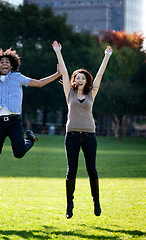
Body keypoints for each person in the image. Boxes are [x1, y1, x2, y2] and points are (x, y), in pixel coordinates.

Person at [52, 41, 113, 219]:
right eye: (77, 77)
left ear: (87, 81)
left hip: (88, 135)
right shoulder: (69, 93)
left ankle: (96, 202)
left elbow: (100, 74)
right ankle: (69, 205)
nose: (79, 79)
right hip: (71, 135)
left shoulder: (91, 93)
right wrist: (58, 52)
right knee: (71, 170)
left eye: (82, 77)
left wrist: (106, 56)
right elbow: (63, 70)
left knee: (91, 170)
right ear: (74, 80)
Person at [0, 46, 61, 159]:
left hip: (14, 121)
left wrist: (57, 74)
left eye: (7, 62)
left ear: (12, 65)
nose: (4, 64)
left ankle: (30, 138)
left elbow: (39, 83)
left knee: (19, 153)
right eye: (2, 62)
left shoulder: (18, 77)